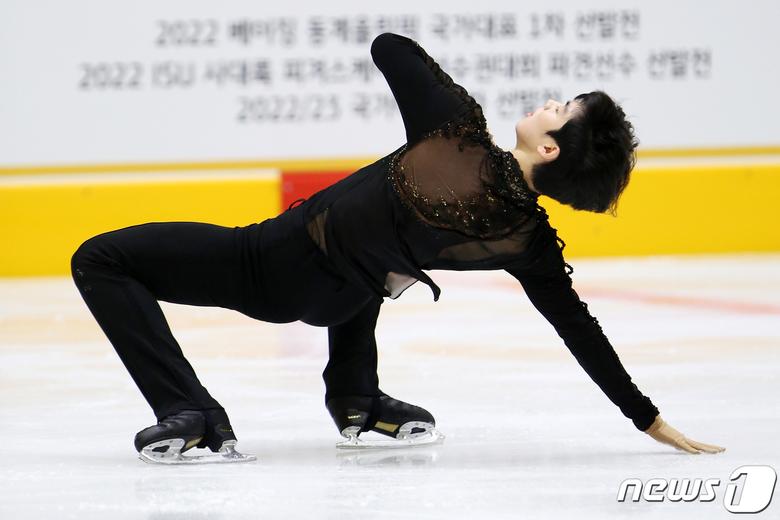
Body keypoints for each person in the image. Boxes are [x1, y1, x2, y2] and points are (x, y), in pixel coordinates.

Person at [71, 32, 724, 464]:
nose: (550, 101)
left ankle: (190, 411)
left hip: (268, 268)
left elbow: (389, 47)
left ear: (549, 147)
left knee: (100, 259)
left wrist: (454, 96)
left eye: (561, 108)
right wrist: (646, 418)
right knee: (377, 252)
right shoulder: (526, 238)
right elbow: (577, 327)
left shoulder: (453, 129)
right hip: (341, 299)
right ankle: (356, 400)